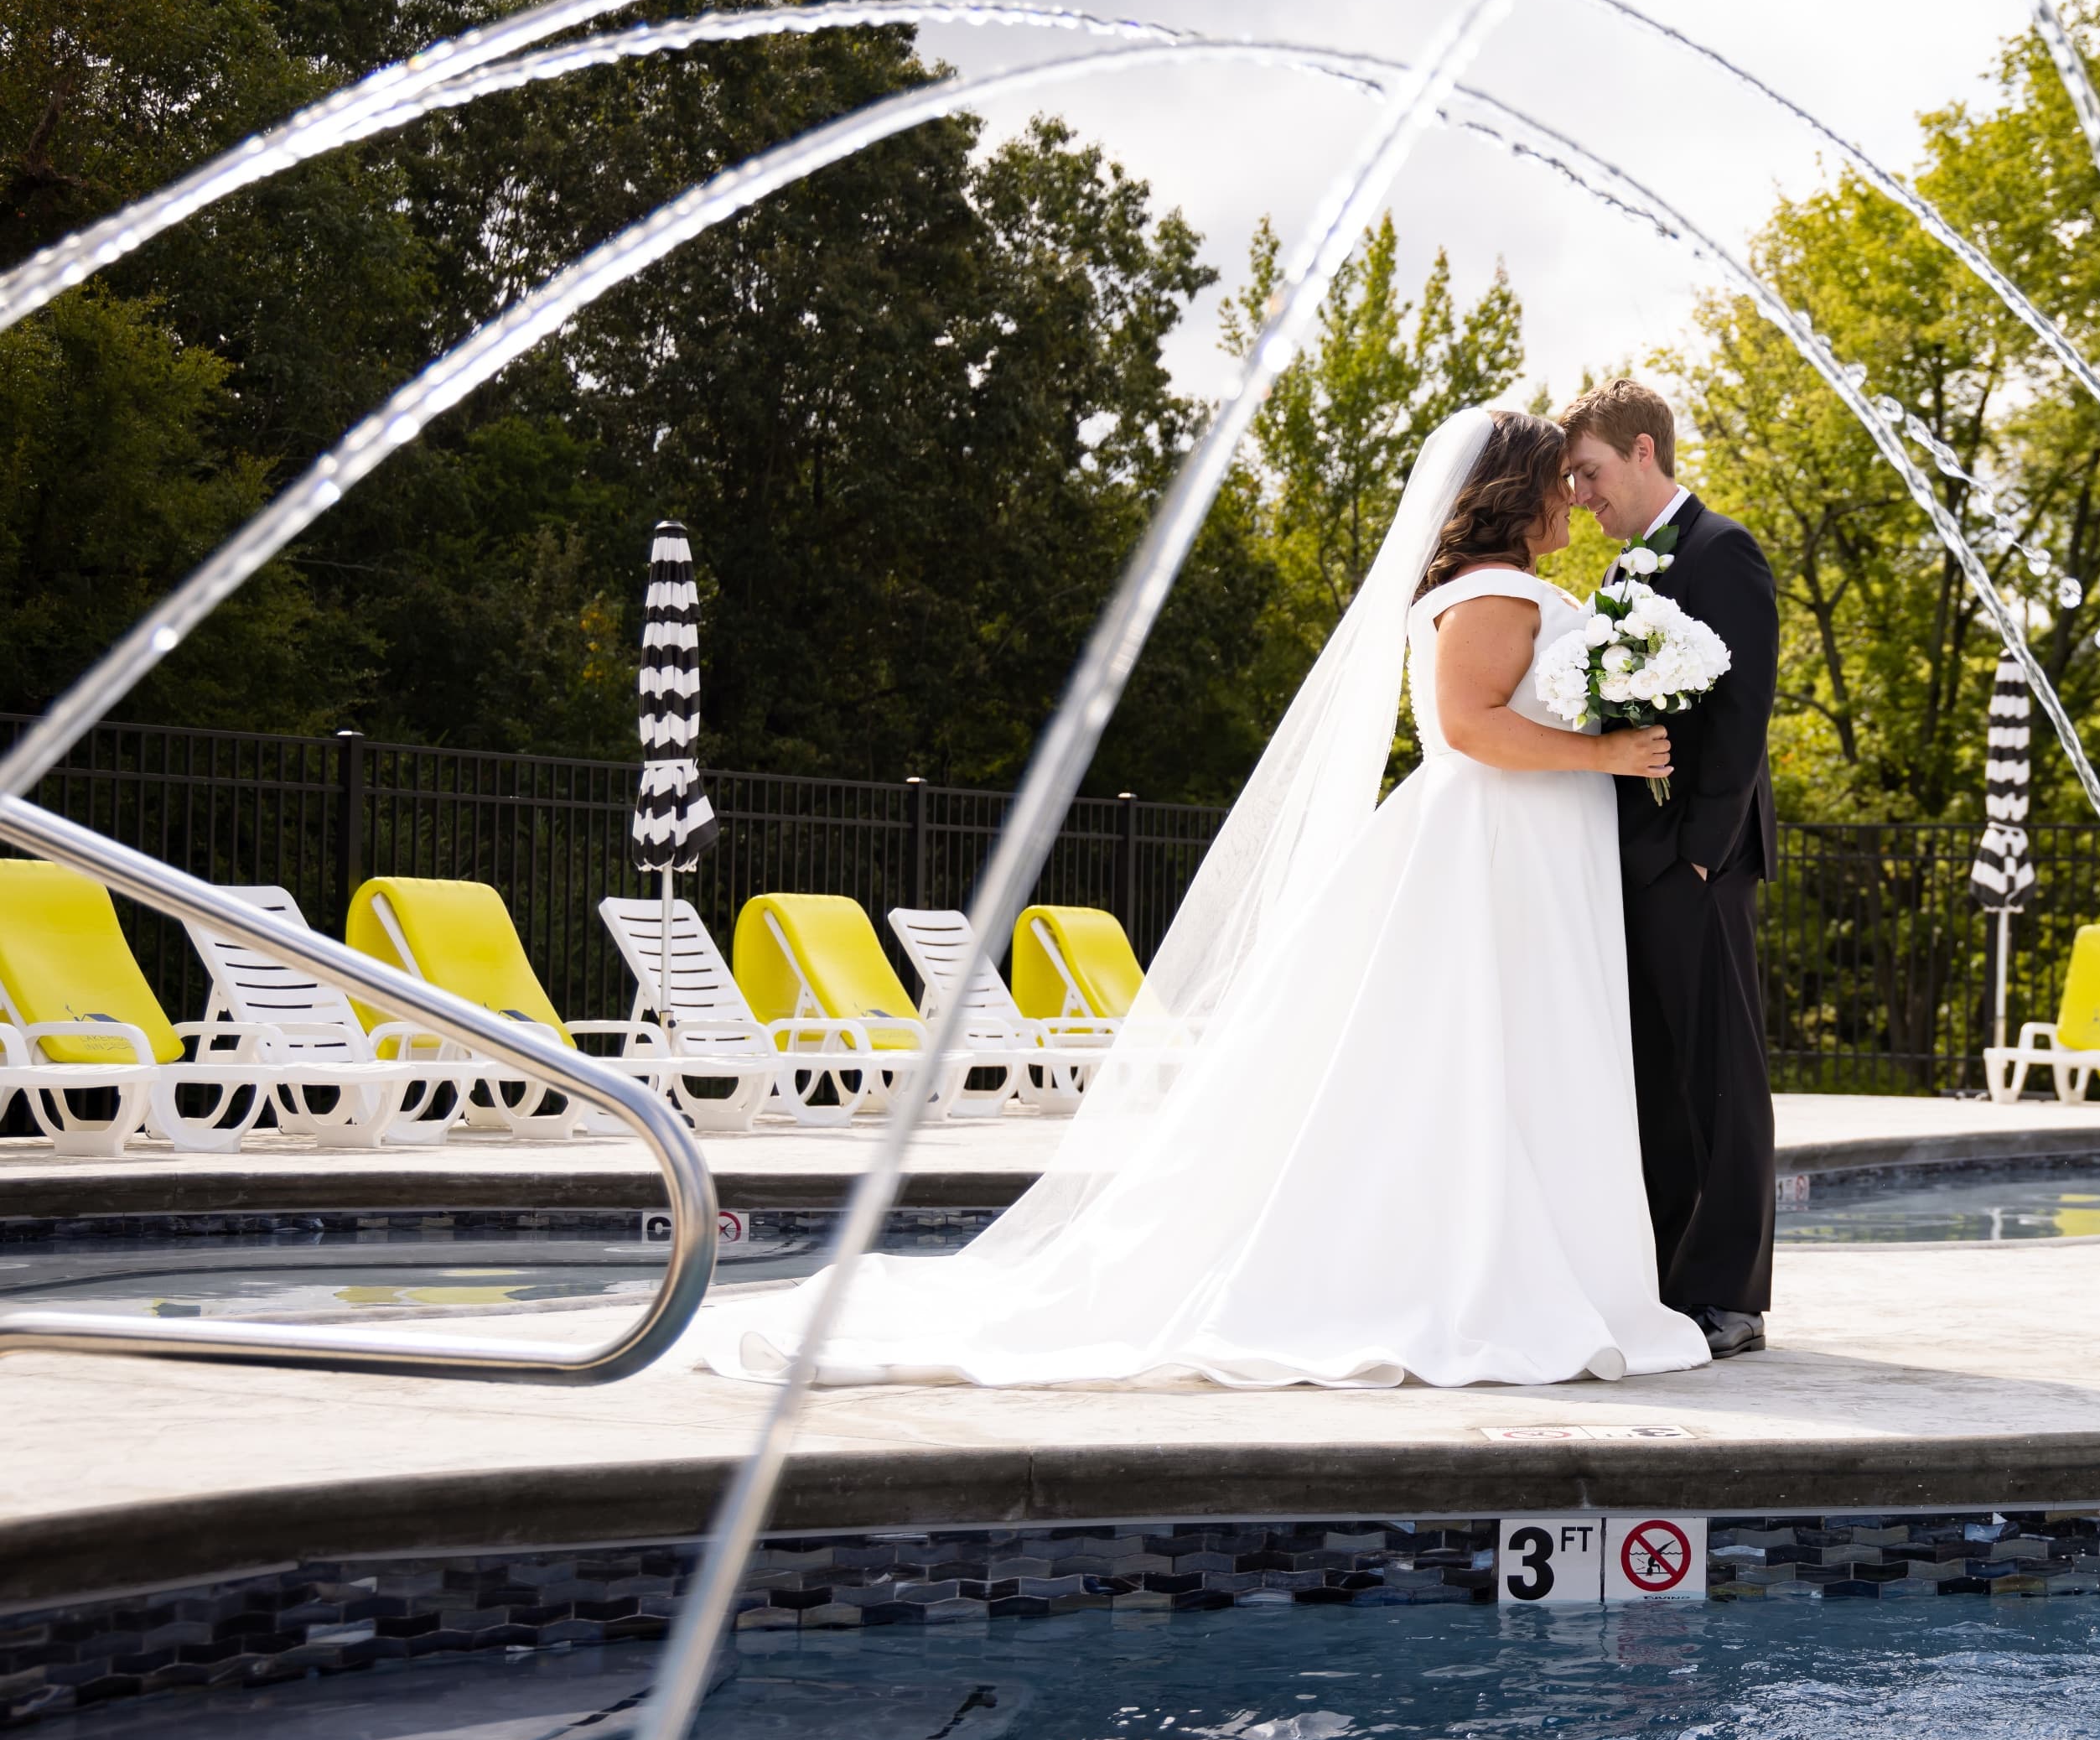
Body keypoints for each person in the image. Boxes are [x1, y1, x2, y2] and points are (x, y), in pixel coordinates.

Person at [692, 410, 1709, 1388]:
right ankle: (1471, 1276)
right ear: (1512, 493)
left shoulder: (1505, 586)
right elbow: (1471, 727)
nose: (1572, 503)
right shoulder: (1489, 592)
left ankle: (1525, 1264)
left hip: (1525, 854)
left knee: (1502, 1060)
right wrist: (1607, 750)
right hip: (1492, 854)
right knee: (1475, 1058)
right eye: (1557, 485)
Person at [1560, 381, 1778, 1358]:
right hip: (1632, 860)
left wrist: (1697, 857)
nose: (1581, 493)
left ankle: (1731, 1295)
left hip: (1697, 862)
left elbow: (1740, 720)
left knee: (1719, 1078)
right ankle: (1666, 1280)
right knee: (1656, 1080)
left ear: (1643, 451)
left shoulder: (1719, 550)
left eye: (1590, 472)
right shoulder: (1625, 572)